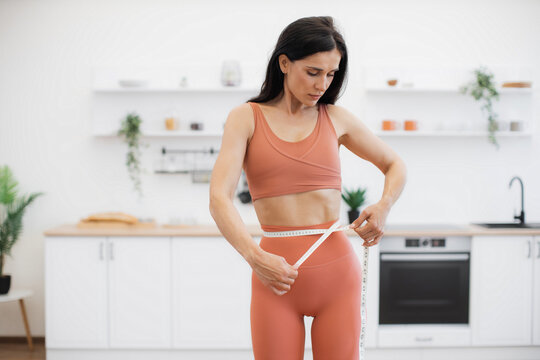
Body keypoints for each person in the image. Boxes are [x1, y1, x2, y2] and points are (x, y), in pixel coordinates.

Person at [209, 16, 407, 360]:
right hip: (275, 276)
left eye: (331, 75)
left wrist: (384, 204)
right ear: (284, 63)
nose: (322, 84)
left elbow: (395, 165)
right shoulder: (246, 117)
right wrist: (254, 257)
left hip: (338, 277)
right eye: (313, 72)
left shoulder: (336, 118)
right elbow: (218, 198)